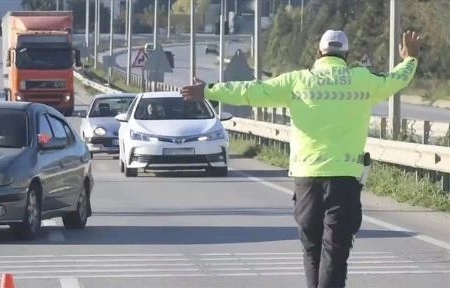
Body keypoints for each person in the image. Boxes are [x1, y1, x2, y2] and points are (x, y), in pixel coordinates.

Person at [180, 30, 421, 288]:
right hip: (344, 181)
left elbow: (251, 91)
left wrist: (209, 90)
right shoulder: (362, 79)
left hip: (306, 182)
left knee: (312, 250)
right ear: (347, 56)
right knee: (335, 254)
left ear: (318, 53)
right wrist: (410, 59)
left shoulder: (297, 81)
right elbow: (396, 79)